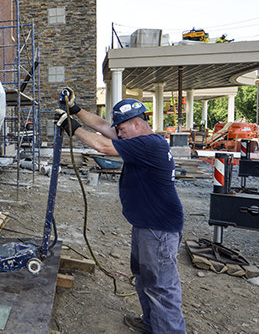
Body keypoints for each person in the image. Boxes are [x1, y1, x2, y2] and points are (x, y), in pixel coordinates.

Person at [55, 90, 186, 334]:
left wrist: (71, 127)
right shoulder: (141, 139)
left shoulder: (148, 145)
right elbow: (105, 127)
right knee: (144, 279)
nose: (119, 133)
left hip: (158, 230)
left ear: (137, 123)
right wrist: (76, 110)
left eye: (122, 128)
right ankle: (152, 324)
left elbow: (103, 145)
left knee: (161, 288)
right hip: (147, 225)